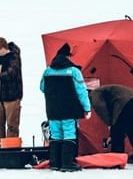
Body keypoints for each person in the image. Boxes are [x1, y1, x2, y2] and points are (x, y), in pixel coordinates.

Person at [41, 43, 91, 172]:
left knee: (56, 135)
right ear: (68, 57)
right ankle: (67, 163)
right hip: (69, 110)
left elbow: (42, 88)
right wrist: (87, 108)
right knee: (69, 134)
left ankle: (55, 163)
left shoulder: (47, 71)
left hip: (52, 110)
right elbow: (81, 91)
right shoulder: (74, 71)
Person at [89, 84, 133, 164]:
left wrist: (110, 124)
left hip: (124, 101)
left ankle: (117, 159)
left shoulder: (94, 94)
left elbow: (101, 108)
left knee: (117, 131)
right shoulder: (102, 91)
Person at [0, 37, 23, 148]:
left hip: (12, 97)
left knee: (12, 125)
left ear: (2, 48)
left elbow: (10, 74)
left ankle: (10, 148)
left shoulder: (14, 58)